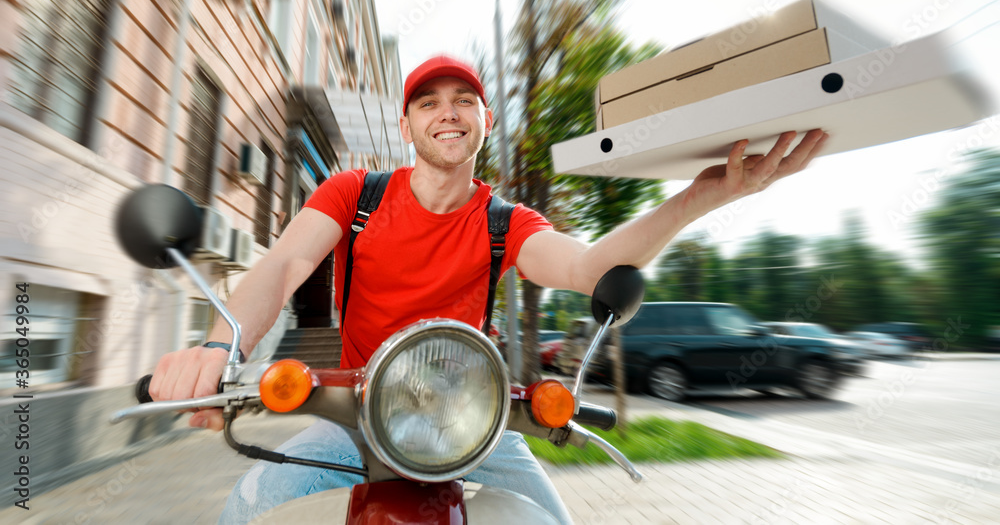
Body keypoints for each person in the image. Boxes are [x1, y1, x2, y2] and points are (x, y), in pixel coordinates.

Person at [150, 55, 828, 523]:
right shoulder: (354, 194)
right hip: (361, 411)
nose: (447, 113)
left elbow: (590, 268)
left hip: (473, 418)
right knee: (248, 502)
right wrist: (220, 342)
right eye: (428, 102)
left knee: (549, 518)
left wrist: (702, 196)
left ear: (483, 120)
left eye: (464, 101)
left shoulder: (504, 222)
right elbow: (283, 264)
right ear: (407, 125)